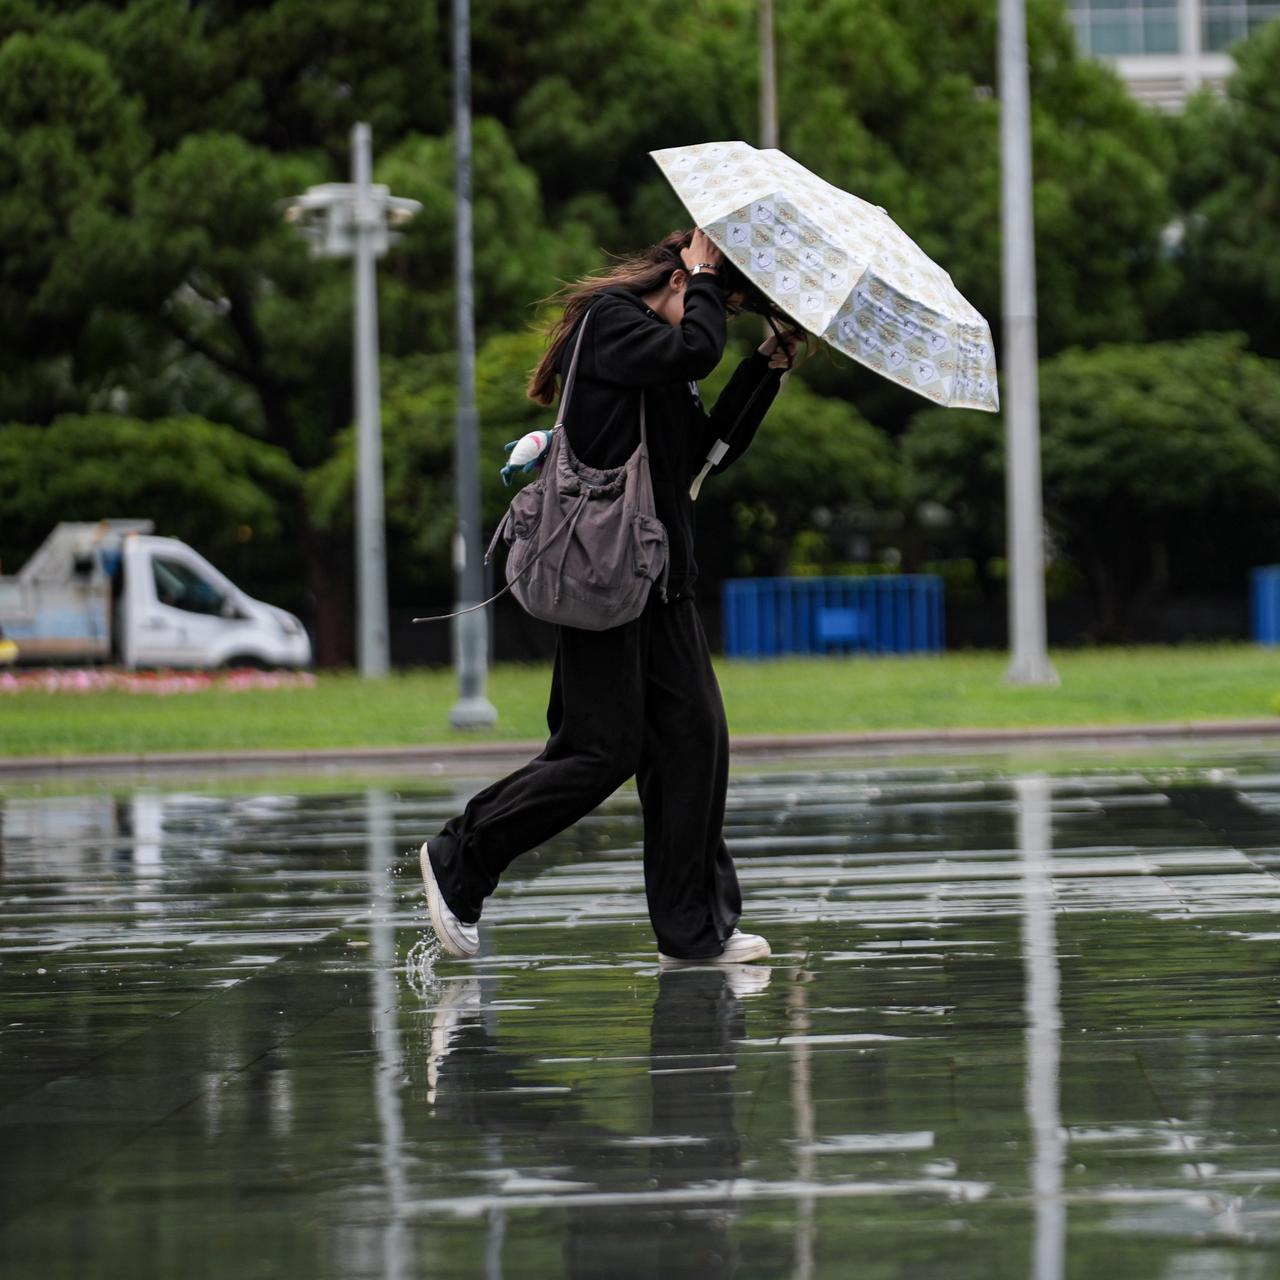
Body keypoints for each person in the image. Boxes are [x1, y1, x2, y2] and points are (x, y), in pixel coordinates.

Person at [421, 227, 800, 962]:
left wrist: (766, 367)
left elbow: (703, 454)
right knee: (600, 749)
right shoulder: (612, 326)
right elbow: (695, 346)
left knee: (693, 743)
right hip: (603, 573)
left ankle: (694, 932)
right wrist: (708, 279)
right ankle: (461, 858)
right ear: (685, 279)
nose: (721, 313)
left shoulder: (661, 357)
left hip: (659, 579)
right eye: (720, 299)